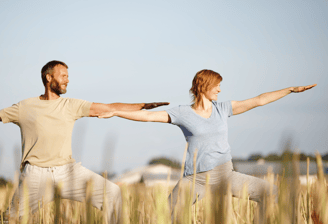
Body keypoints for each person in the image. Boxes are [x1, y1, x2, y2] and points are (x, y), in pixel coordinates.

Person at [98, 69, 316, 221]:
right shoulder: (182, 113)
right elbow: (148, 117)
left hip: (226, 175)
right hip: (195, 179)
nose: (220, 90)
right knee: (167, 215)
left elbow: (259, 100)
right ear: (204, 85)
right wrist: (116, 112)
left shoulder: (223, 108)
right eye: (217, 85)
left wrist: (289, 89)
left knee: (272, 193)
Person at [0, 60, 169, 223]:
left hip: (68, 172)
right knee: (10, 219)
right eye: (63, 76)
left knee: (112, 193)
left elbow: (108, 107)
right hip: (36, 176)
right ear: (48, 77)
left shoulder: (71, 105)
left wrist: (142, 105)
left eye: (68, 76)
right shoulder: (25, 107)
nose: (67, 80)